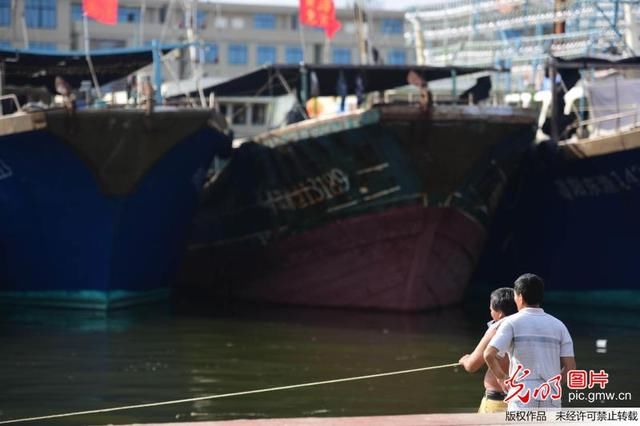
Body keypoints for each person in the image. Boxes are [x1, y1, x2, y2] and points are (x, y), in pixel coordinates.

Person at [484, 273, 576, 410]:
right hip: (551, 395)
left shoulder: (511, 323)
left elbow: (488, 354)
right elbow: (570, 369)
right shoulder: (559, 326)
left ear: (520, 297)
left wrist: (502, 378)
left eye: (515, 296)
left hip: (522, 395)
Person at [459, 287, 517, 413]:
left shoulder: (496, 329)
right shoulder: (528, 328)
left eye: (491, 308)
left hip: (497, 401)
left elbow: (472, 365)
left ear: (500, 313)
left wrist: (464, 360)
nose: (490, 311)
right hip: (524, 401)